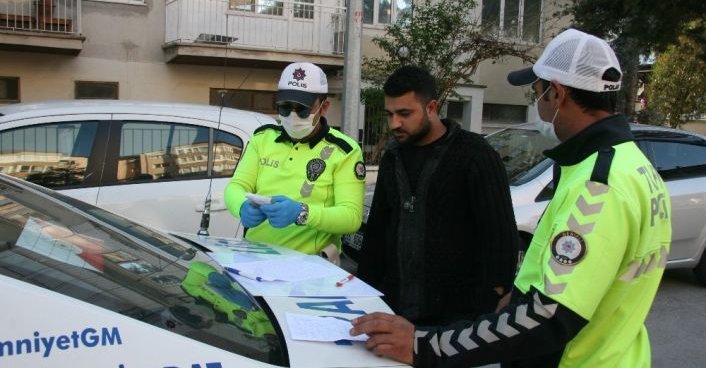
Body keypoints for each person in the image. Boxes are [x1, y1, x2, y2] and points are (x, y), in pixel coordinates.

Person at [350, 29, 672, 367]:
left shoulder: (599, 185)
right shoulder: (634, 167)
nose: (537, 104)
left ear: (557, 93)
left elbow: (547, 317)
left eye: (537, 93)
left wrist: (424, 346)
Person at [356, 65, 519, 326]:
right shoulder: (392, 157)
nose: (394, 123)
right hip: (393, 310)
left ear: (431, 108)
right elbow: (377, 232)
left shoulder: (475, 155)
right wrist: (364, 293)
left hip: (457, 320)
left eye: (404, 113)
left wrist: (490, 297)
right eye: (390, 114)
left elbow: (499, 236)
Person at [224, 62, 365, 255]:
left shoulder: (344, 151)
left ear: (324, 107)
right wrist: (241, 207)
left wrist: (302, 213)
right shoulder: (262, 139)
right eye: (284, 107)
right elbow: (236, 186)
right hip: (254, 257)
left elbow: (351, 218)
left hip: (310, 266)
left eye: (302, 109)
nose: (293, 115)